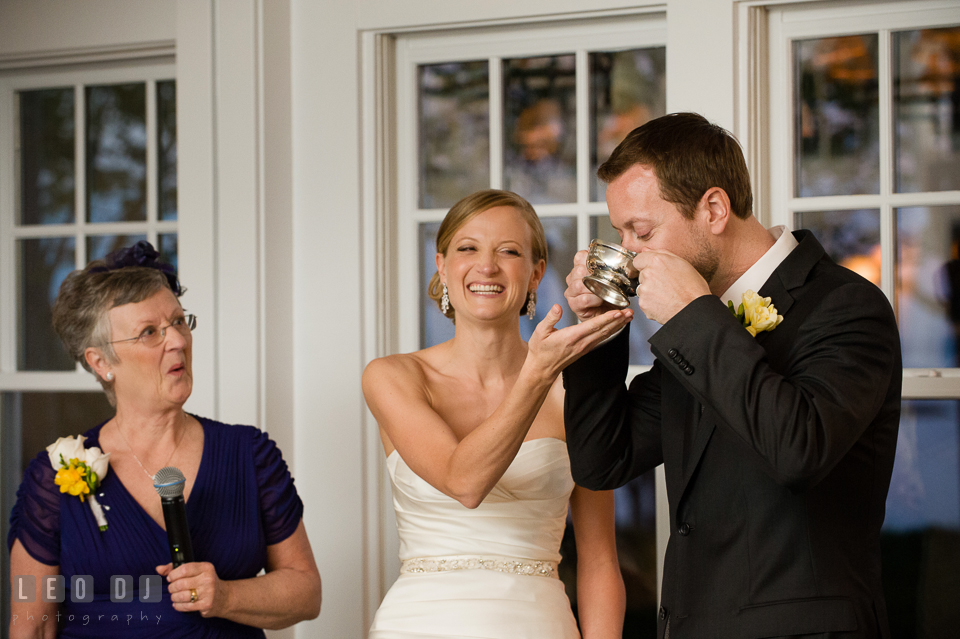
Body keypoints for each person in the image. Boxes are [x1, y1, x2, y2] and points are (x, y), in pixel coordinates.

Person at [560, 113, 901, 638]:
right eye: (622, 233)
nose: (629, 250)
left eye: (642, 230)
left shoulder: (847, 306)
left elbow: (799, 450)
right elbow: (604, 459)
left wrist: (693, 313)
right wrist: (599, 329)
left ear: (714, 209)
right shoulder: (698, 325)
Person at [8, 241, 321, 639]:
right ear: (101, 362)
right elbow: (32, 625)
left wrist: (225, 596)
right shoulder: (53, 477)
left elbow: (307, 593)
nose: (178, 341)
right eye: (149, 332)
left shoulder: (250, 455)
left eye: (178, 322)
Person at [363, 190, 630, 638]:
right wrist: (537, 375)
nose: (486, 266)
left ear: (535, 274)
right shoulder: (394, 377)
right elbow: (463, 483)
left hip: (539, 623)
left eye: (509, 251)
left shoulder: (573, 389)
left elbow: (600, 558)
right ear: (442, 267)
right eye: (468, 249)